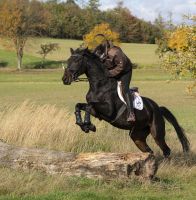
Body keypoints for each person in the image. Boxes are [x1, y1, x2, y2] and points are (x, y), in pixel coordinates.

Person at [93, 38, 135, 122]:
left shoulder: (115, 52)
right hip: (113, 70)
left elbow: (121, 66)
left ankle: (131, 113)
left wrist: (109, 73)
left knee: (124, 89)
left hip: (125, 71)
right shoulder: (100, 51)